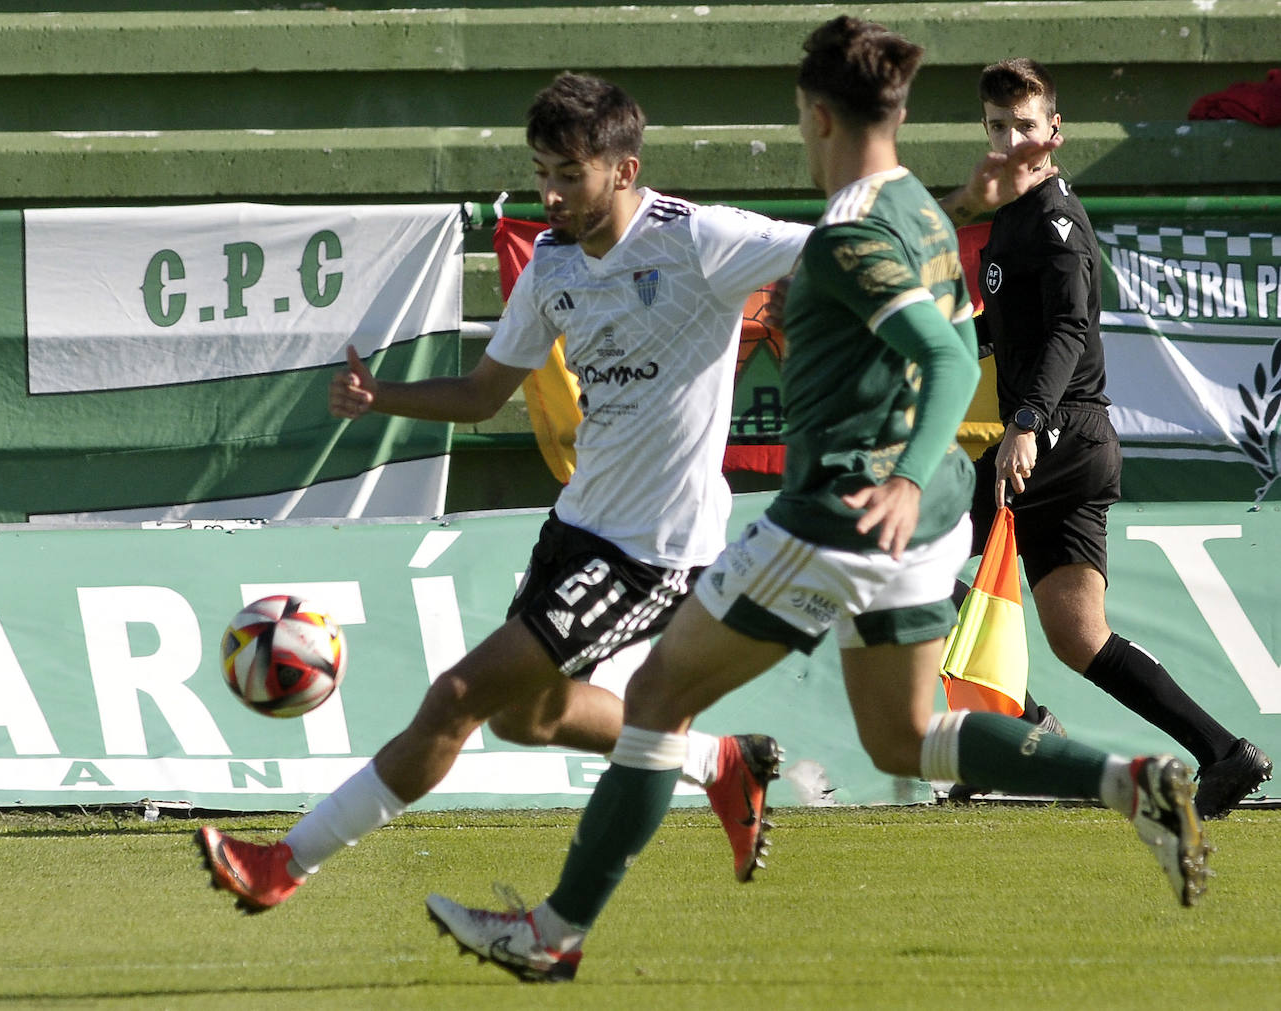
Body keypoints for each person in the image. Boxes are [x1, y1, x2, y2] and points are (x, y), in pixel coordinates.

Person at [423, 18, 1210, 984]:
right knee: (903, 735)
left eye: (800, 115)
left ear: (821, 114)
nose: (800, 130)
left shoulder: (848, 234)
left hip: (848, 506)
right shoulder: (919, 209)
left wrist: (907, 470)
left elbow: (949, 352)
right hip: (920, 521)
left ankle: (553, 931)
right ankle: (1129, 781)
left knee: (660, 697)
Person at [194, 72, 817, 911]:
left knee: (457, 696)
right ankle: (721, 763)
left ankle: (285, 863)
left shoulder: (701, 239)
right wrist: (384, 396)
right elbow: (486, 394)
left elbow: (835, 246)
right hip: (579, 525)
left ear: (624, 170)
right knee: (529, 718)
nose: (551, 193)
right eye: (540, 174)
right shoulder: (554, 267)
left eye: (570, 174)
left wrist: (934, 226)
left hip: (654, 549)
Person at [936, 58, 1272, 818]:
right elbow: (1010, 328)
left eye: (1025, 125)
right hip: (1077, 443)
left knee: (905, 562)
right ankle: (1224, 752)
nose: (1011, 138)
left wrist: (1025, 424)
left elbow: (1064, 330)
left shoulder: (1054, 223)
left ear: (1054, 132)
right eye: (997, 127)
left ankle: (1015, 726)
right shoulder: (1016, 217)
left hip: (1055, 435)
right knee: (1078, 636)